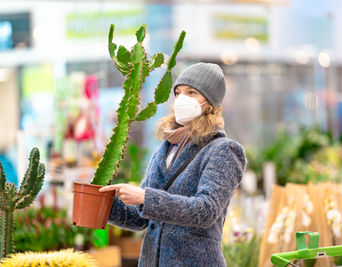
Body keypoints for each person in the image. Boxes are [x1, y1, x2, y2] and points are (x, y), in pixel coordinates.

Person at [100, 62, 247, 267]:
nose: (181, 98)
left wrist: (145, 197)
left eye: (191, 92)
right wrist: (104, 205)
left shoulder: (223, 150)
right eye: (178, 92)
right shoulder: (167, 146)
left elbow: (206, 210)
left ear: (211, 103)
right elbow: (142, 218)